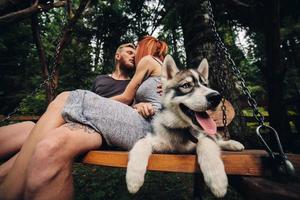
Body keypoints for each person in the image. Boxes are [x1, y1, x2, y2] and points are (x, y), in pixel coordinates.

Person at [0, 35, 168, 200]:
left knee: (57, 118)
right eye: (129, 52)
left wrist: (89, 104)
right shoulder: (101, 79)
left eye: (135, 51)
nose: (134, 55)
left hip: (97, 123)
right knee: (29, 129)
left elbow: (130, 103)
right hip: (85, 116)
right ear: (117, 56)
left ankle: (8, 191)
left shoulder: (139, 78)